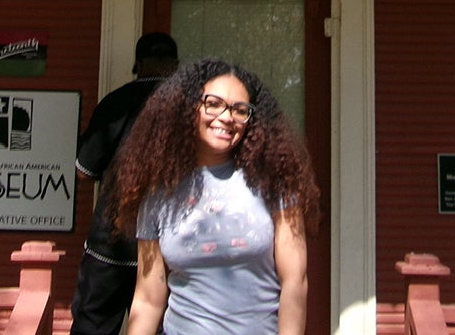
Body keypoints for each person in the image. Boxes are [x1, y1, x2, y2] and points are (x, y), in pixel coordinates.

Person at [109, 58, 321, 335]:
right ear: (189, 108)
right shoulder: (159, 194)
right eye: (213, 103)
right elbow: (148, 299)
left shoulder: (274, 184)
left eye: (239, 110)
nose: (226, 117)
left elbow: (295, 281)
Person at [70, 33, 180, 335]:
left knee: (93, 326)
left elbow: (83, 171)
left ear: (138, 64)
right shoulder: (190, 111)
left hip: (113, 241)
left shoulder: (115, 104)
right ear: (176, 65)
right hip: (168, 243)